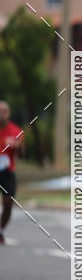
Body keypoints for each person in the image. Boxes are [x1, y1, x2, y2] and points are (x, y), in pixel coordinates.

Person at [0, 101, 25, 244]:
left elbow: (21, 155)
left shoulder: (17, 132)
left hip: (7, 171)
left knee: (8, 202)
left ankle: (1, 228)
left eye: (4, 111)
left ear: (9, 114)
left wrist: (17, 146)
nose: (1, 114)